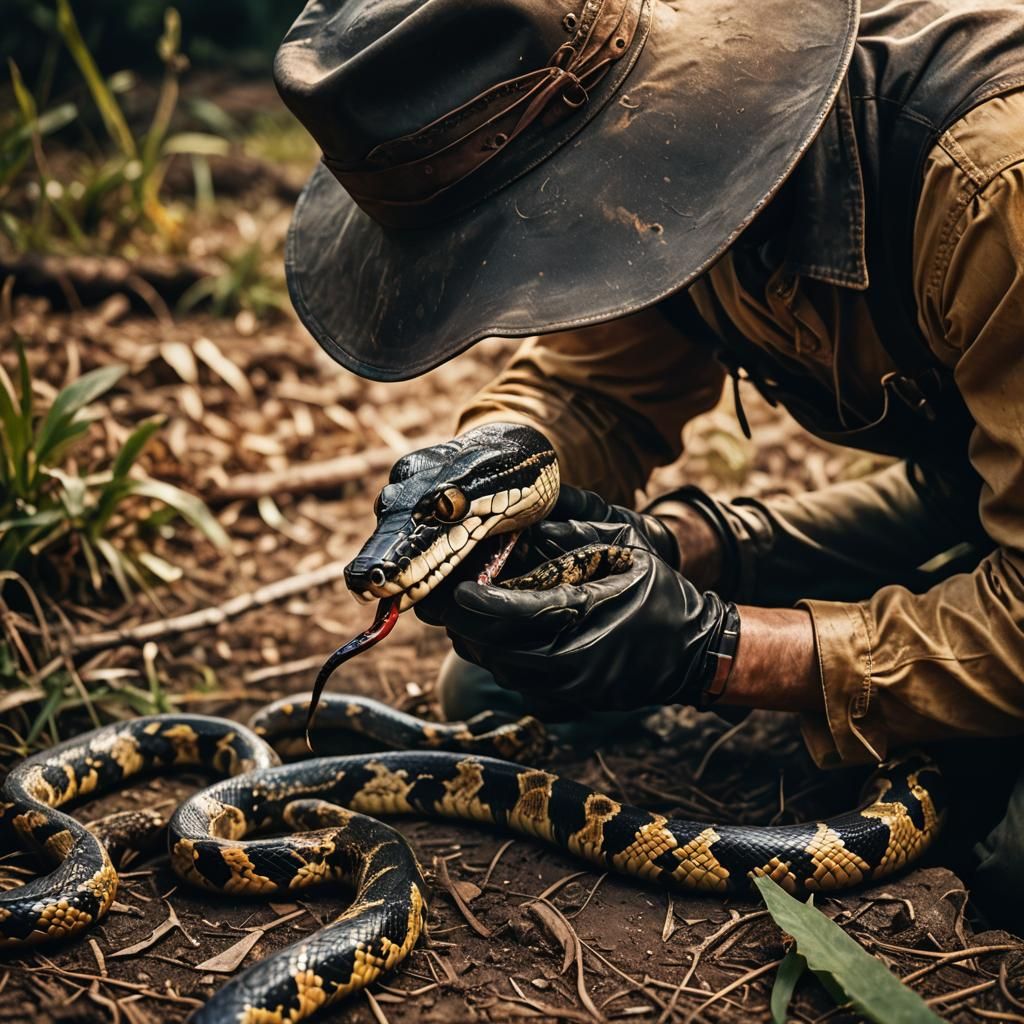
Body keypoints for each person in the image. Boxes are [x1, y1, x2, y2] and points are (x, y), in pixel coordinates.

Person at [273, 0, 1024, 917]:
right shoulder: (650, 176)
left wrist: (723, 652)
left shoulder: (993, 186)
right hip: (974, 492)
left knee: (1011, 870)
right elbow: (592, 396)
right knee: (504, 672)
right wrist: (483, 481)